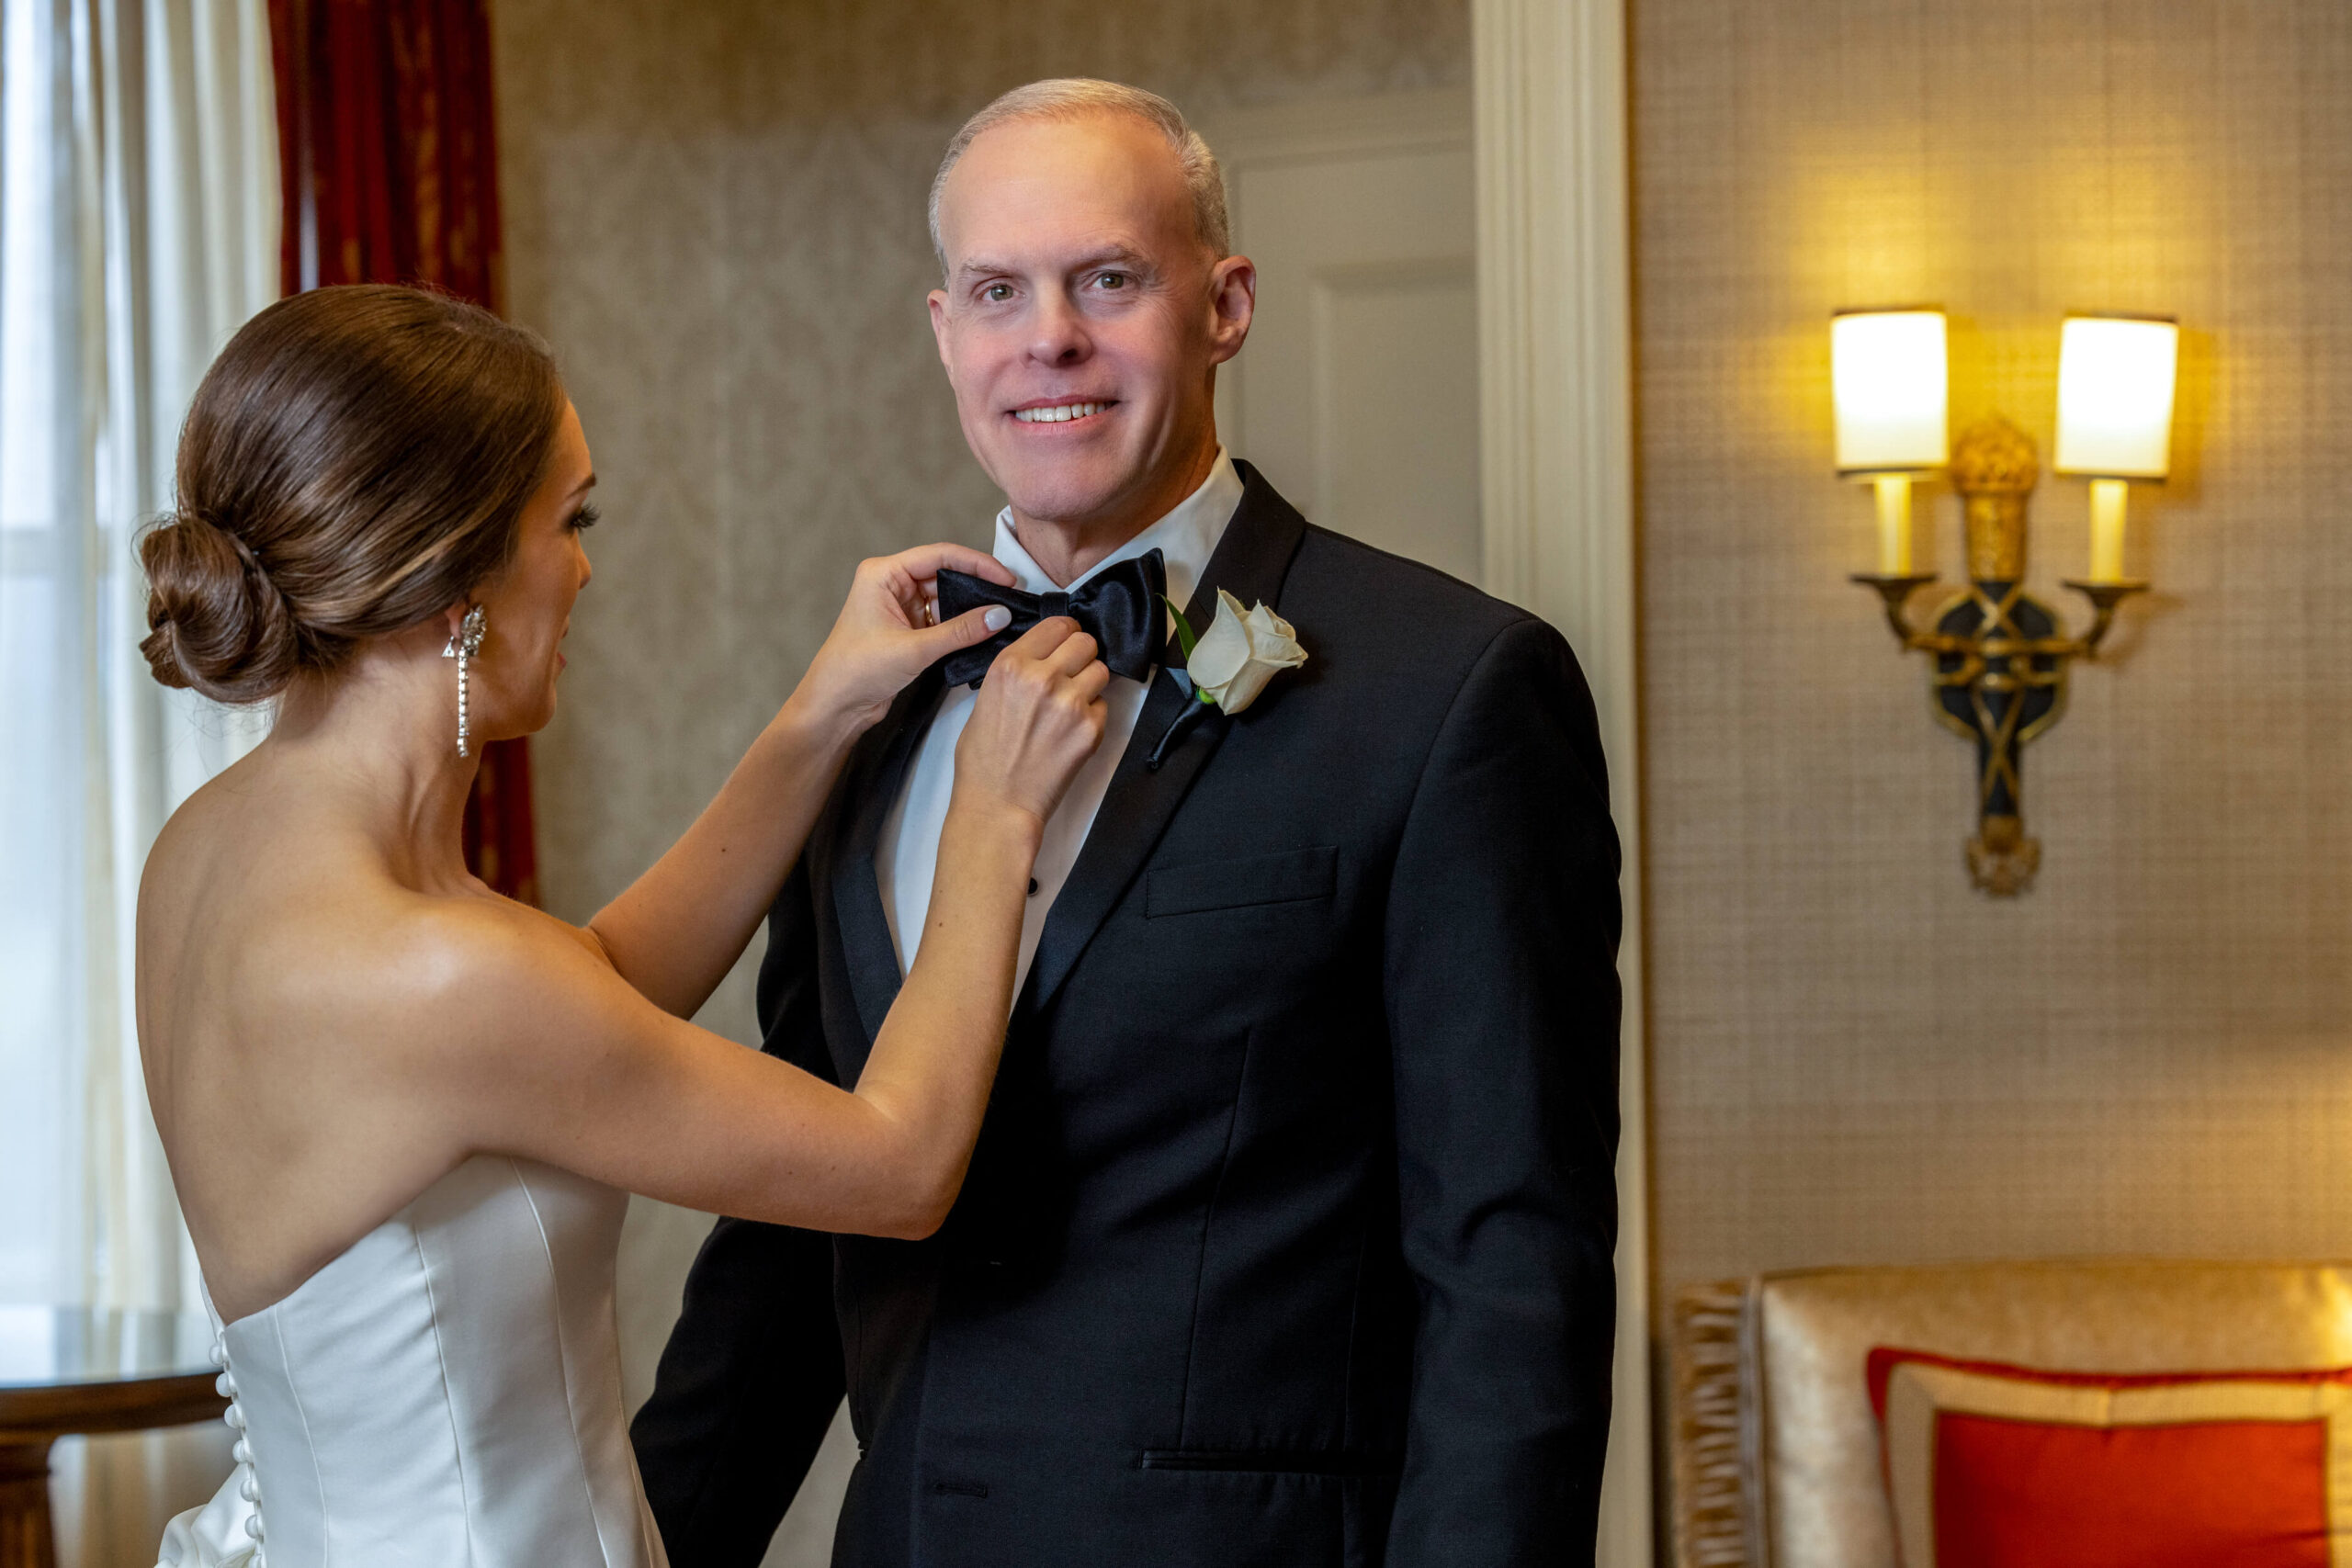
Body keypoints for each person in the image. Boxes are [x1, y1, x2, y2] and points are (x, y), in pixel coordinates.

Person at [633, 78, 1623, 1568]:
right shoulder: (870, 703)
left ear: (1223, 306)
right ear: (944, 331)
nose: (1051, 340)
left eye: (1108, 279)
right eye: (997, 291)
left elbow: (1512, 1271)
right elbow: (791, 1225)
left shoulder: (1453, 693)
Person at [137, 282, 1110, 1568]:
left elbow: (577, 995)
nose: (585, 565)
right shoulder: (444, 983)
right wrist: (994, 820)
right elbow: (899, 1166)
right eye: (569, 518)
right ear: (458, 579)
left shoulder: (209, 849)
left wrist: (820, 713)